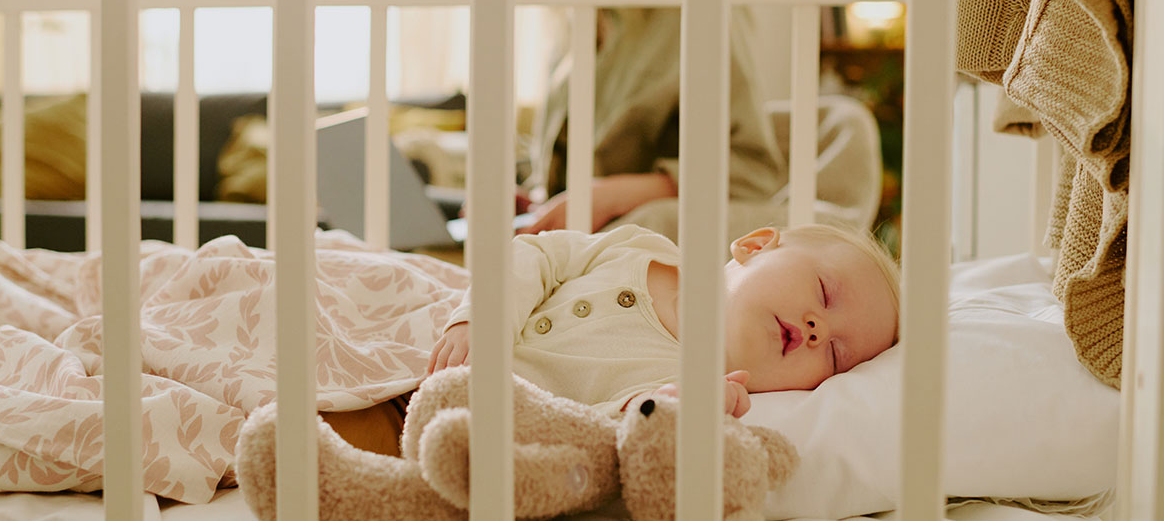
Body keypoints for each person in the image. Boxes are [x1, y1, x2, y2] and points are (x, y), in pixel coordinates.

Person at [324, 222, 900, 453]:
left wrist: (670, 412)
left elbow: (605, 432)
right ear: (755, 244)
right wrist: (478, 317)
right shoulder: (640, 251)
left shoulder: (692, 387)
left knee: (318, 436)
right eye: (824, 294)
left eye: (837, 353)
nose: (819, 329)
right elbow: (536, 253)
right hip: (424, 348)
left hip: (442, 426)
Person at [513, 0, 787, 241]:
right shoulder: (579, 26)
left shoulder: (693, 7)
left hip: (642, 246)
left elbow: (751, 170)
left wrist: (612, 196)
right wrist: (536, 199)